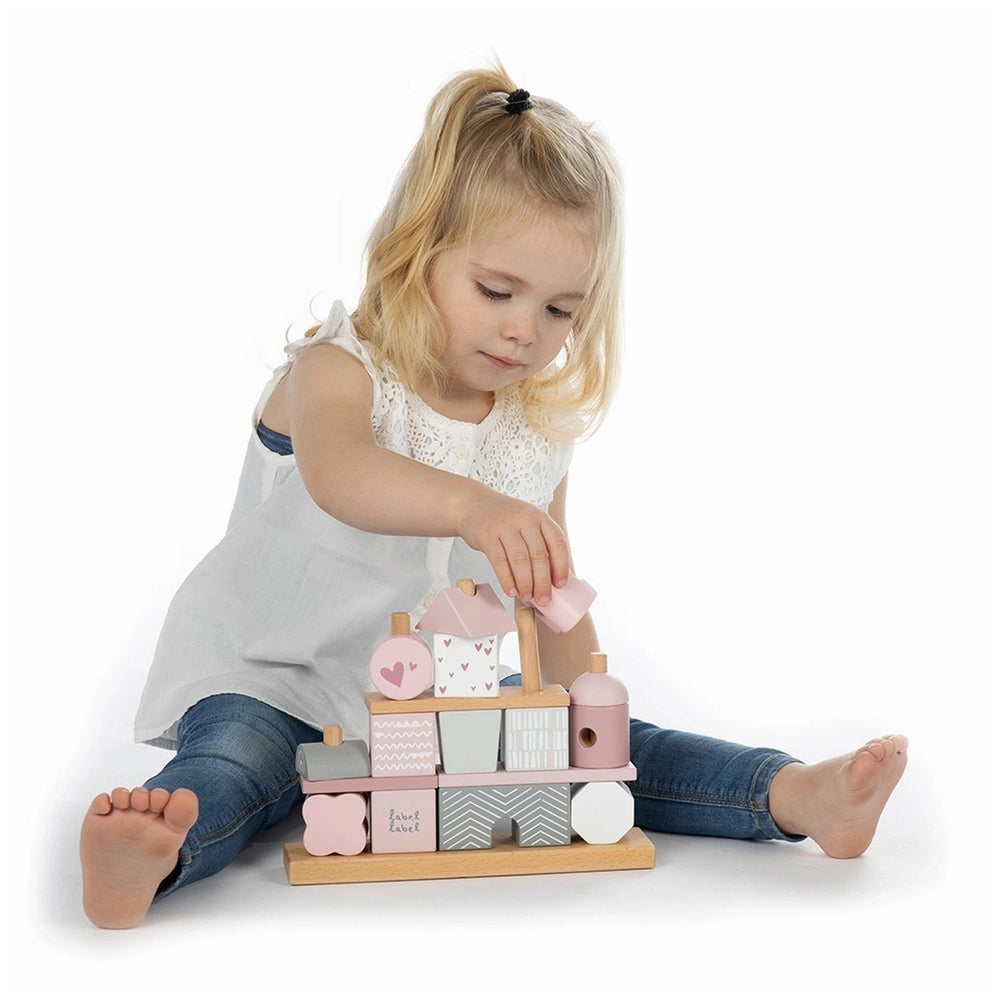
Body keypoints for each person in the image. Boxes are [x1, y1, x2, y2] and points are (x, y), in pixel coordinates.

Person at [79, 66, 908, 929]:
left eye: (559, 310)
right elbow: (345, 476)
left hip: (439, 704)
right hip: (272, 676)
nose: (526, 330)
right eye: (497, 291)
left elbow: (548, 588)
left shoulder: (532, 430)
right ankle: (157, 847)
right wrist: (476, 506)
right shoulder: (336, 371)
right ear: (418, 252)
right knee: (239, 759)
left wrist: (583, 703)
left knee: (611, 748)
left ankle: (790, 796)